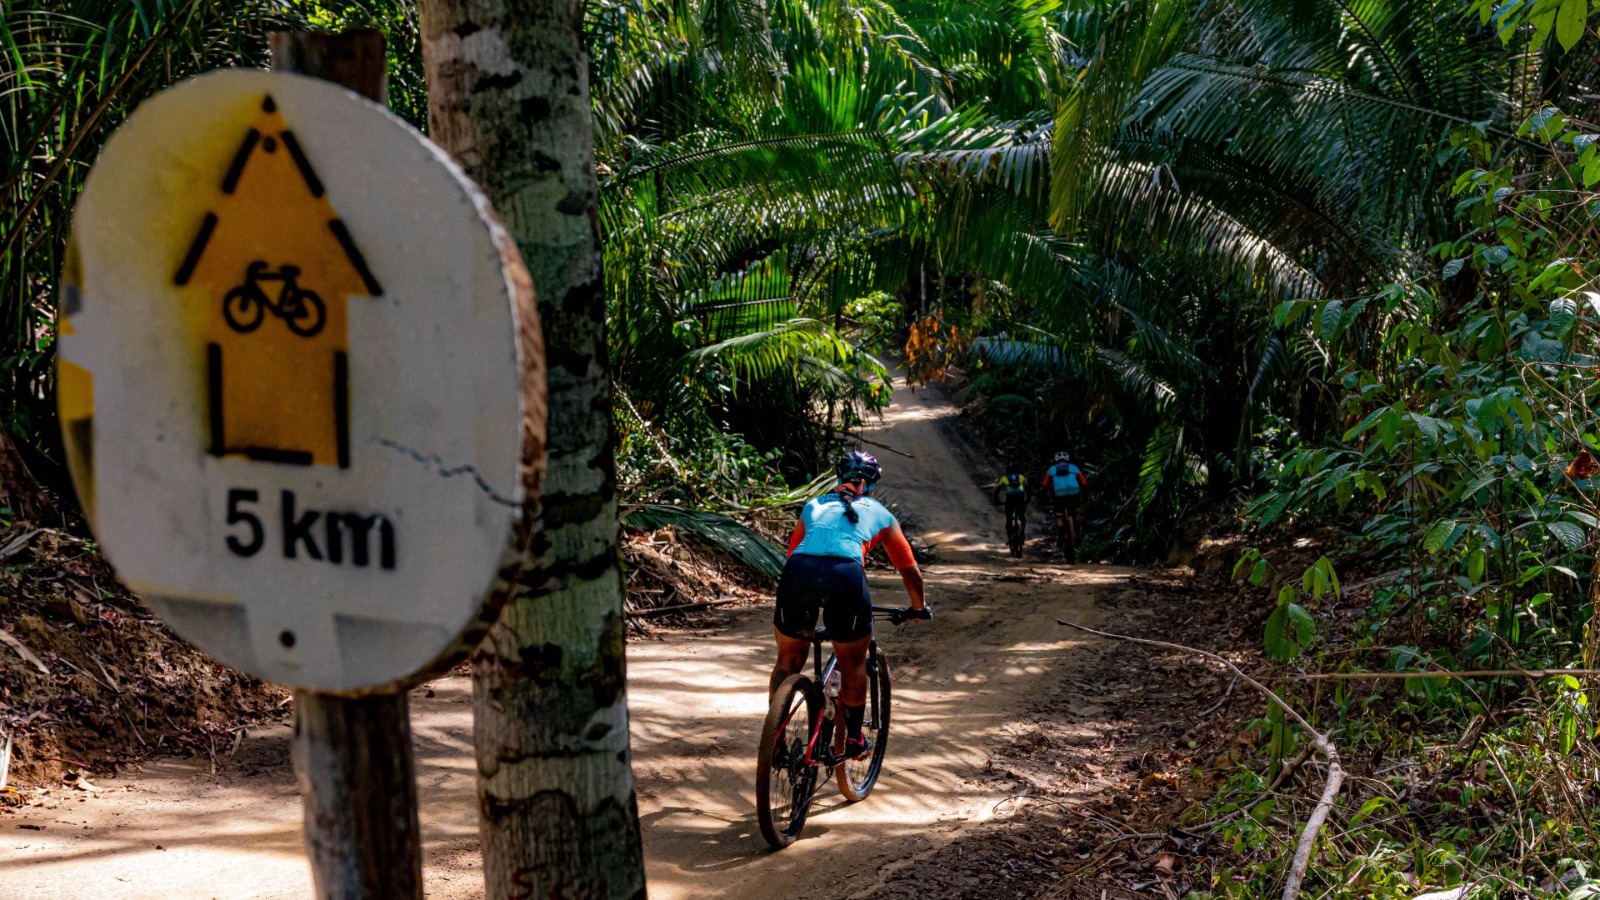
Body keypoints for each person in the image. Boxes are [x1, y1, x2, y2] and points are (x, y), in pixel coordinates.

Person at [771, 450, 929, 759]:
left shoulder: (813, 505)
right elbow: (909, 570)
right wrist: (918, 606)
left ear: (839, 480)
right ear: (870, 485)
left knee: (788, 659)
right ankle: (855, 740)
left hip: (799, 573)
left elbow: (793, 554)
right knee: (852, 662)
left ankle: (774, 742)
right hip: (845, 576)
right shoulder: (881, 513)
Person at [1043, 451, 1087, 559]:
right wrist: (1083, 492)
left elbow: (1045, 484)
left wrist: (1046, 493)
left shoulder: (1052, 469)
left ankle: (1061, 535)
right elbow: (1084, 483)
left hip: (1059, 494)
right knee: (1076, 511)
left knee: (1059, 515)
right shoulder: (1074, 467)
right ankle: (1077, 531)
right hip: (1074, 493)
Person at [992, 462, 1028, 553]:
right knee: (1022, 516)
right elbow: (1028, 488)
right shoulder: (1021, 477)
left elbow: (997, 490)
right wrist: (1027, 499)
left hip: (1010, 499)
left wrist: (996, 500)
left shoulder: (1004, 478)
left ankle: (1010, 538)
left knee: (1009, 519)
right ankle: (1022, 533)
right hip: (1020, 498)